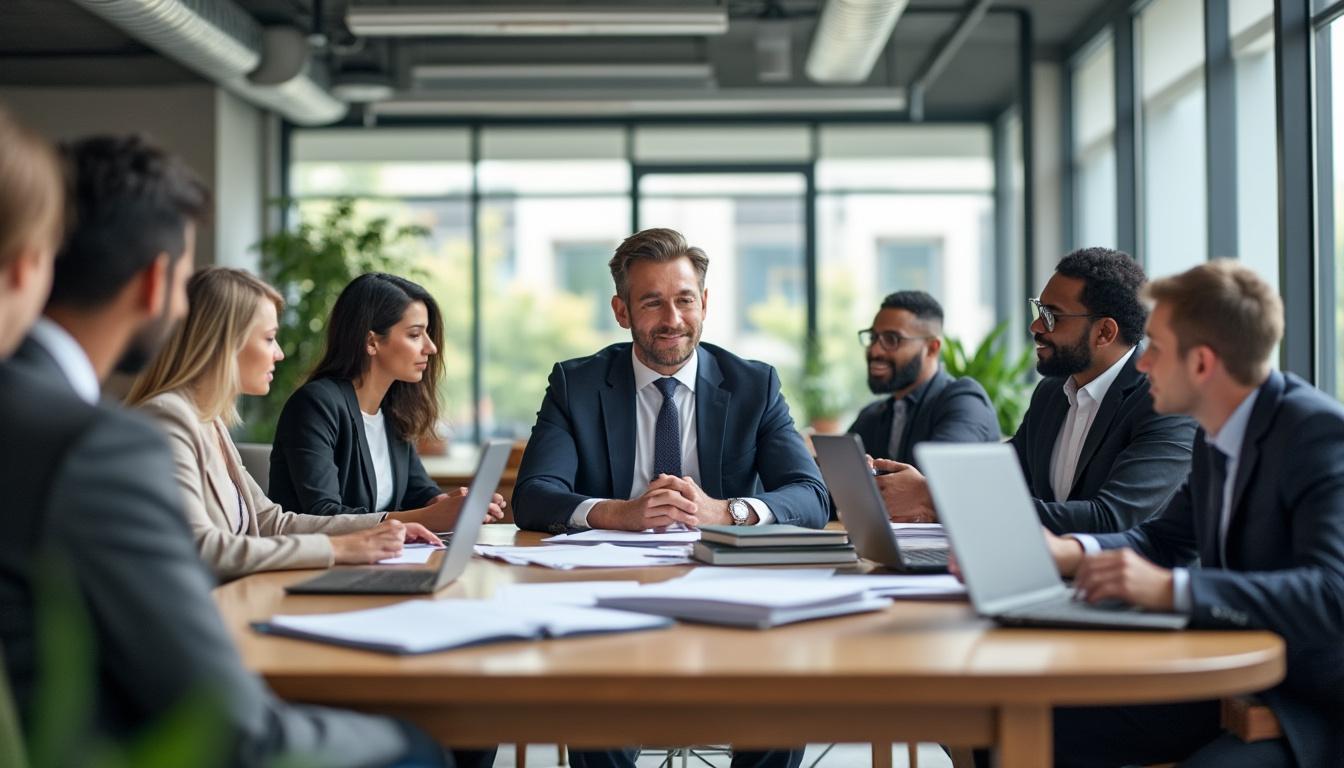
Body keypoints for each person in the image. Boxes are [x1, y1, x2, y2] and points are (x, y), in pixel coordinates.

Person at [0, 128, 449, 767]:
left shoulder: (165, 426)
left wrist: (382, 528)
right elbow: (223, 721)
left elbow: (262, 520)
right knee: (421, 744)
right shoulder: (101, 442)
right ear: (157, 283)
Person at [513, 226, 826, 768]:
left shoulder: (755, 385)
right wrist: (620, 514)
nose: (672, 319)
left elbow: (811, 497)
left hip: (731, 592)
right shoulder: (576, 383)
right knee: (598, 708)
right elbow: (535, 496)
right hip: (610, 593)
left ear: (704, 302)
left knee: (779, 699)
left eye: (684, 300)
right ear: (620, 310)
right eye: (652, 302)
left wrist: (723, 511)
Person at [1039, 260, 1344, 767]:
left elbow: (1333, 595)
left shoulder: (1315, 433)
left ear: (1201, 363)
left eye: (1155, 347)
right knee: (1031, 718)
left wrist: (1170, 590)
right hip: (1228, 675)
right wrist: (1069, 551)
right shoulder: (1214, 430)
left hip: (1307, 703)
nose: (1141, 363)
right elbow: (1162, 541)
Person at [127, 267, 441, 581]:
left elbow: (271, 523)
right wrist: (338, 549)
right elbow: (201, 548)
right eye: (269, 339)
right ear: (225, 344)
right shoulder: (167, 419)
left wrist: (382, 529)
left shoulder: (211, 424)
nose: (279, 353)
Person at [873, 247, 1195, 532]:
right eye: (1038, 310)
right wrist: (912, 484)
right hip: (1051, 577)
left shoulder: (1165, 404)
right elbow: (1003, 471)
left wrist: (937, 498)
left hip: (1135, 594)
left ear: (1104, 332)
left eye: (1052, 317)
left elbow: (1110, 520)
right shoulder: (1052, 394)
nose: (1036, 327)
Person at [269, 273, 504, 534]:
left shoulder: (394, 410)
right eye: (415, 335)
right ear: (372, 342)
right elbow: (322, 515)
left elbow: (418, 491)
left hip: (374, 561)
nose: (431, 347)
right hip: (316, 565)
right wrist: (429, 517)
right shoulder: (316, 405)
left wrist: (447, 504)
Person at [848, 290, 999, 466]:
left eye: (892, 339)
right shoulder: (872, 416)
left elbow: (941, 479)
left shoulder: (964, 402)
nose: (875, 350)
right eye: (873, 337)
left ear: (932, 348)